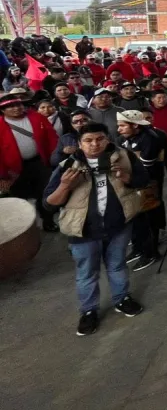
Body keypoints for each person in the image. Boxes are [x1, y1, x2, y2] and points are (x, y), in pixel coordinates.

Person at [43, 122, 147, 336]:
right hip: (83, 230)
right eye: (88, 141)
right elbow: (48, 204)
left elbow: (143, 180)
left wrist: (126, 177)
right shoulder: (68, 166)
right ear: (80, 144)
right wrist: (65, 186)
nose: (94, 144)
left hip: (118, 225)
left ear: (108, 139)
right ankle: (89, 311)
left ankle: (122, 299)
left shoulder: (124, 156)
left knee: (117, 265)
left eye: (99, 139)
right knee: (87, 273)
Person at [0, 91, 61, 231]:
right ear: (2, 110)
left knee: (45, 192)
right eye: (11, 106)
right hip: (14, 169)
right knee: (20, 197)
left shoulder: (37, 117)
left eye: (18, 104)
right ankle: (25, 226)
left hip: (40, 163)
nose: (16, 108)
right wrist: (2, 173)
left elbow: (52, 137)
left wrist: (53, 156)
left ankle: (47, 220)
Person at [115, 109, 165, 272]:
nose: (119, 130)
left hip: (148, 184)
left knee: (148, 219)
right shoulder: (123, 139)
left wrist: (127, 166)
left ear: (135, 126)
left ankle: (151, 252)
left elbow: (145, 165)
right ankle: (138, 248)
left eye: (122, 126)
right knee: (134, 217)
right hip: (130, 183)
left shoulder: (150, 138)